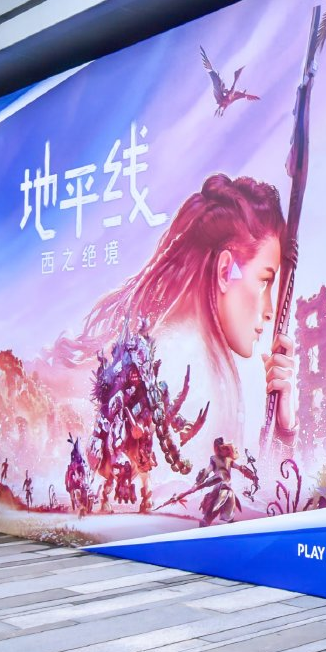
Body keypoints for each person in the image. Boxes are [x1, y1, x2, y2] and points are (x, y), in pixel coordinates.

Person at [67, 173, 298, 455]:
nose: (270, 311)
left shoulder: (199, 363)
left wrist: (284, 425)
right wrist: (284, 436)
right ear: (225, 271)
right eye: (264, 282)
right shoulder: (185, 370)